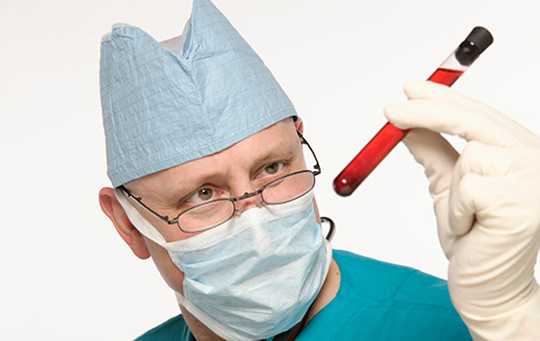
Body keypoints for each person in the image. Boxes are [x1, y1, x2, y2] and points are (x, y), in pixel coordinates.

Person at [98, 0, 540, 340]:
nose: (255, 220)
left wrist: (516, 321)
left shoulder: (452, 325)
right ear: (127, 224)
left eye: (272, 168)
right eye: (202, 195)